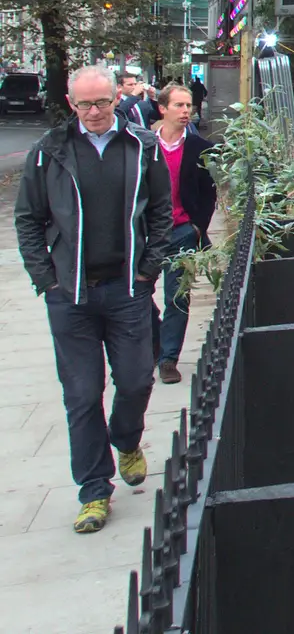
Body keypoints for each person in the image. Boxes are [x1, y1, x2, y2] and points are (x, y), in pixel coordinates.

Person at [14, 65, 172, 534]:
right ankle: (94, 492)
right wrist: (47, 279)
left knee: (137, 379)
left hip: (127, 290)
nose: (96, 111)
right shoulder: (49, 153)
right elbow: (28, 220)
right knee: (82, 396)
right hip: (71, 296)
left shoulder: (141, 146)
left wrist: (150, 267)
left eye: (103, 101)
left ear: (116, 99)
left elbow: (161, 210)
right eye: (85, 104)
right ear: (71, 105)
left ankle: (126, 440)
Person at [150, 84, 215, 384]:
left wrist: (196, 226)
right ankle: (155, 343)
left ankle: (168, 359)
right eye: (179, 105)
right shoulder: (144, 145)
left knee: (177, 297)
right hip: (147, 235)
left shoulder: (199, 148)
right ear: (162, 108)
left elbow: (208, 193)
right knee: (136, 296)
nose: (187, 111)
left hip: (182, 232)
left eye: (189, 105)